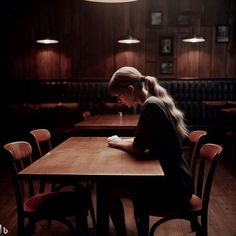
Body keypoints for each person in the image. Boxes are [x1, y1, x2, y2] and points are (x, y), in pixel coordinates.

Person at [105, 66, 194, 236]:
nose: (119, 101)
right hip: (179, 180)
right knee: (114, 186)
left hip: (174, 188)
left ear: (130, 90)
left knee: (110, 191)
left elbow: (138, 148)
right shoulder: (154, 102)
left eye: (119, 96)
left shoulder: (150, 106)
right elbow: (143, 142)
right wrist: (123, 141)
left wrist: (117, 143)